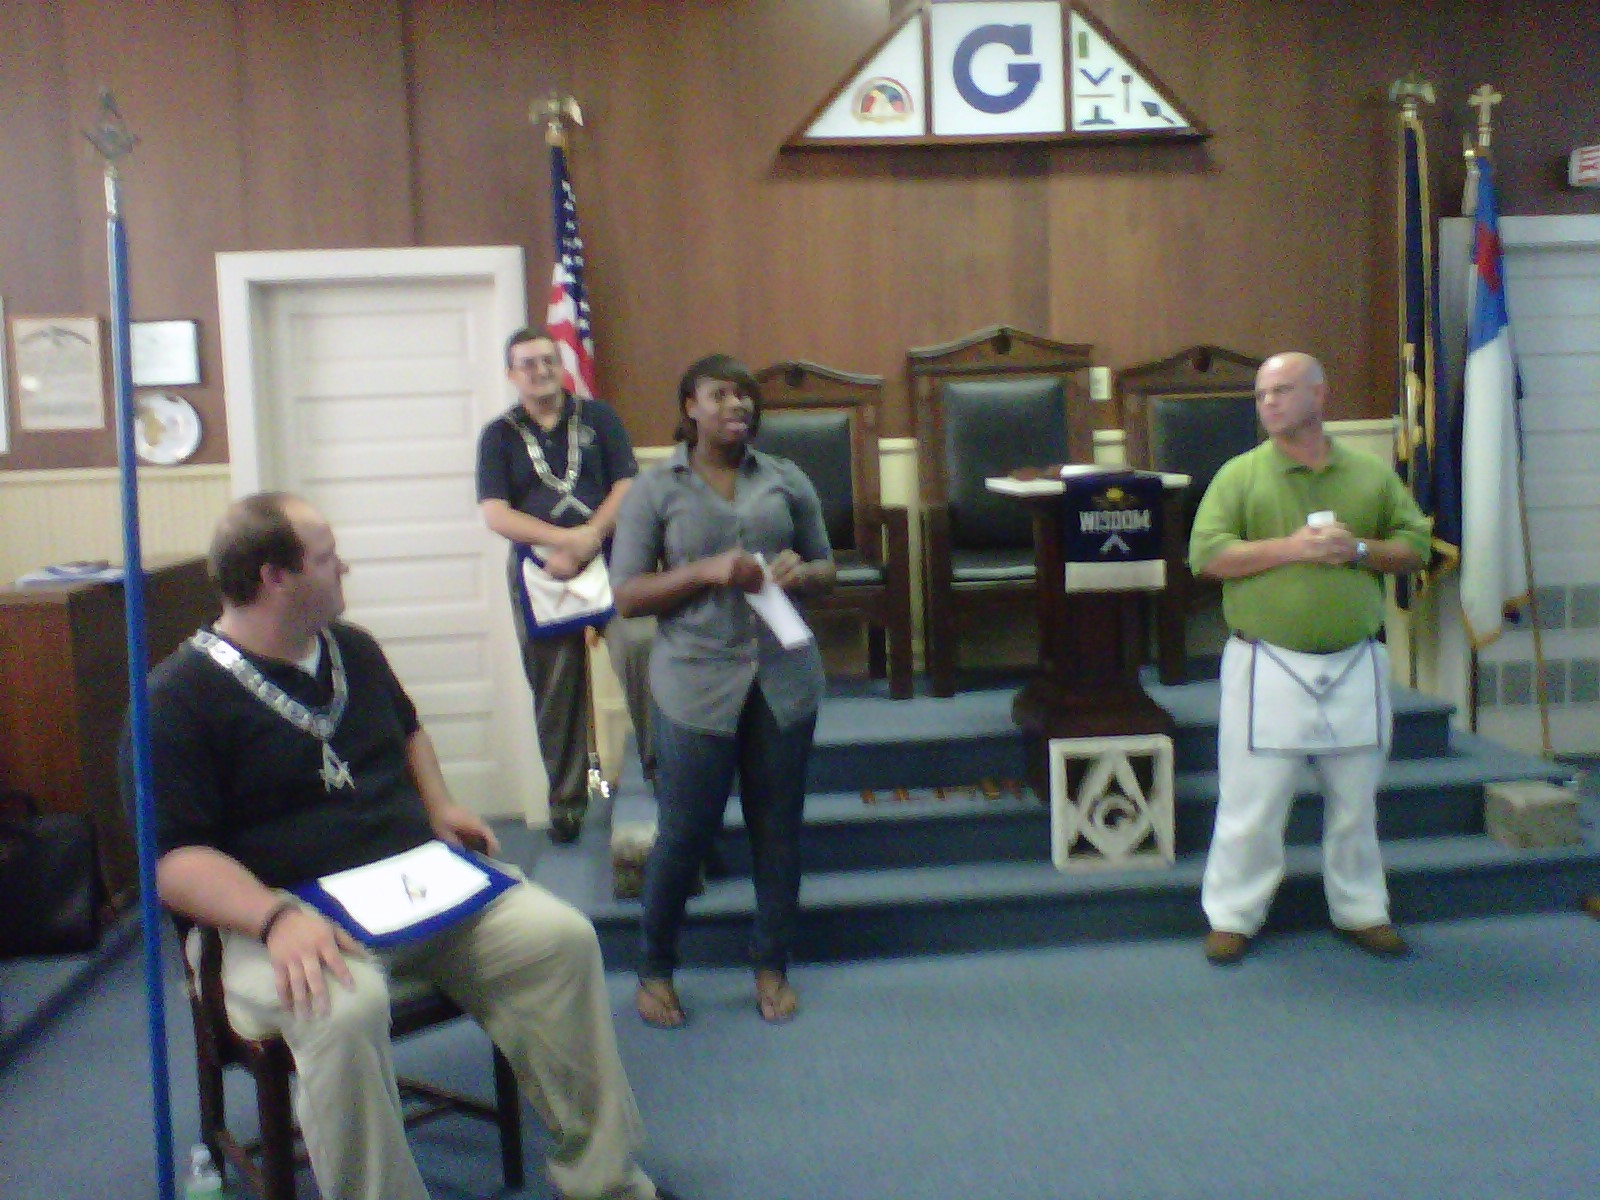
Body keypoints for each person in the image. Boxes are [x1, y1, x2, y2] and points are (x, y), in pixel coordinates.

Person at [134, 492, 677, 1200]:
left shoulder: (351, 648)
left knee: (560, 940)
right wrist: (274, 918)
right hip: (275, 917)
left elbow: (409, 729)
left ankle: (603, 1179)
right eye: (327, 558)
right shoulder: (176, 698)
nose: (344, 568)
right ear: (276, 577)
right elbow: (174, 861)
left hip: (411, 889)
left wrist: (441, 804)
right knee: (343, 1009)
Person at [609, 354, 835, 1028]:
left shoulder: (786, 478)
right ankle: (655, 968)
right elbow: (627, 595)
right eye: (720, 395)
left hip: (782, 680)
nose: (737, 405)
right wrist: (705, 571)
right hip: (694, 683)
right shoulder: (655, 489)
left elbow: (828, 569)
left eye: (745, 396)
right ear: (690, 407)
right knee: (684, 833)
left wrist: (803, 573)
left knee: (778, 832)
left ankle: (771, 965)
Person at [1188, 351, 1431, 966]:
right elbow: (1207, 556)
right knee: (1252, 804)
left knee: (1356, 802)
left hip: (1355, 663)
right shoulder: (1240, 475)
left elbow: (1416, 547)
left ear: (1319, 396)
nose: (1268, 403)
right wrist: (1292, 549)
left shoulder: (1370, 475)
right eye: (1261, 394)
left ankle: (1361, 910)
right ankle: (1233, 916)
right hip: (1266, 665)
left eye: (1281, 390)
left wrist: (1357, 549)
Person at [477, 327, 654, 844]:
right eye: (527, 363)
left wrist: (591, 537)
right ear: (511, 375)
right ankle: (568, 802)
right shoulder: (498, 436)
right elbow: (496, 513)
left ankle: (662, 773)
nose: (540, 370)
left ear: (561, 364)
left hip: (612, 558)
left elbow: (626, 483)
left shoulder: (600, 418)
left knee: (641, 650)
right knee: (556, 689)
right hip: (540, 569)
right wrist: (563, 542)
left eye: (548, 359)